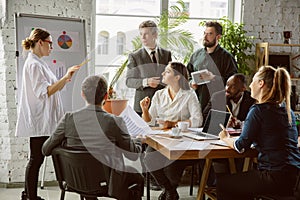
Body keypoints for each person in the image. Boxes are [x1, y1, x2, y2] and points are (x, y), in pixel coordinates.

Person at [42, 75, 144, 200]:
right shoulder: (114, 121)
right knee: (138, 178)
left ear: (82, 94)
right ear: (106, 97)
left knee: (89, 169)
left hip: (75, 182)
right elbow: (132, 155)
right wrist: (139, 140)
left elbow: (45, 149)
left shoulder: (68, 119)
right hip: (108, 184)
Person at [15, 28, 80, 200]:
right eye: (50, 43)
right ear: (40, 42)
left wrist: (66, 78)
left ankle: (27, 194)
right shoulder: (34, 64)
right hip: (40, 121)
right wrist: (66, 77)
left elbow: (52, 88)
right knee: (36, 159)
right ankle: (30, 196)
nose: (52, 47)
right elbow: (46, 91)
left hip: (46, 121)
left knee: (37, 158)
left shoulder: (39, 62)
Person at [216, 66, 300, 199]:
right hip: (293, 178)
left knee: (222, 184)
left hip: (272, 177)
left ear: (261, 84)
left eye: (253, 81)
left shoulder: (258, 110)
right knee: (244, 183)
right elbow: (271, 132)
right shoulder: (287, 110)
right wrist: (243, 125)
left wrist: (224, 138)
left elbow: (241, 146)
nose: (249, 85)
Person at [141, 62, 202, 200]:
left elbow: (198, 120)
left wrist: (173, 123)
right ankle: (169, 190)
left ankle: (169, 191)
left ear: (177, 77)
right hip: (162, 139)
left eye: (167, 72)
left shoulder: (189, 95)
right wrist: (145, 110)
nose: (163, 74)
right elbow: (149, 121)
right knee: (149, 158)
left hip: (182, 140)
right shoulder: (159, 94)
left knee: (172, 163)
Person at [187, 21, 238, 112]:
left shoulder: (227, 57)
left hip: (217, 105)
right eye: (204, 33)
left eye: (209, 34)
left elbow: (234, 83)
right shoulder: (195, 55)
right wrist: (191, 83)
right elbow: (186, 75)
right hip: (195, 102)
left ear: (218, 37)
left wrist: (213, 78)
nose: (205, 37)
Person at [126, 20, 172, 116]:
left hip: (163, 106)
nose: (142, 37)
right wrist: (146, 82)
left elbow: (171, 77)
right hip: (142, 108)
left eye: (146, 34)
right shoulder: (135, 56)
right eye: (141, 34)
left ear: (155, 35)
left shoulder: (166, 54)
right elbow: (129, 81)